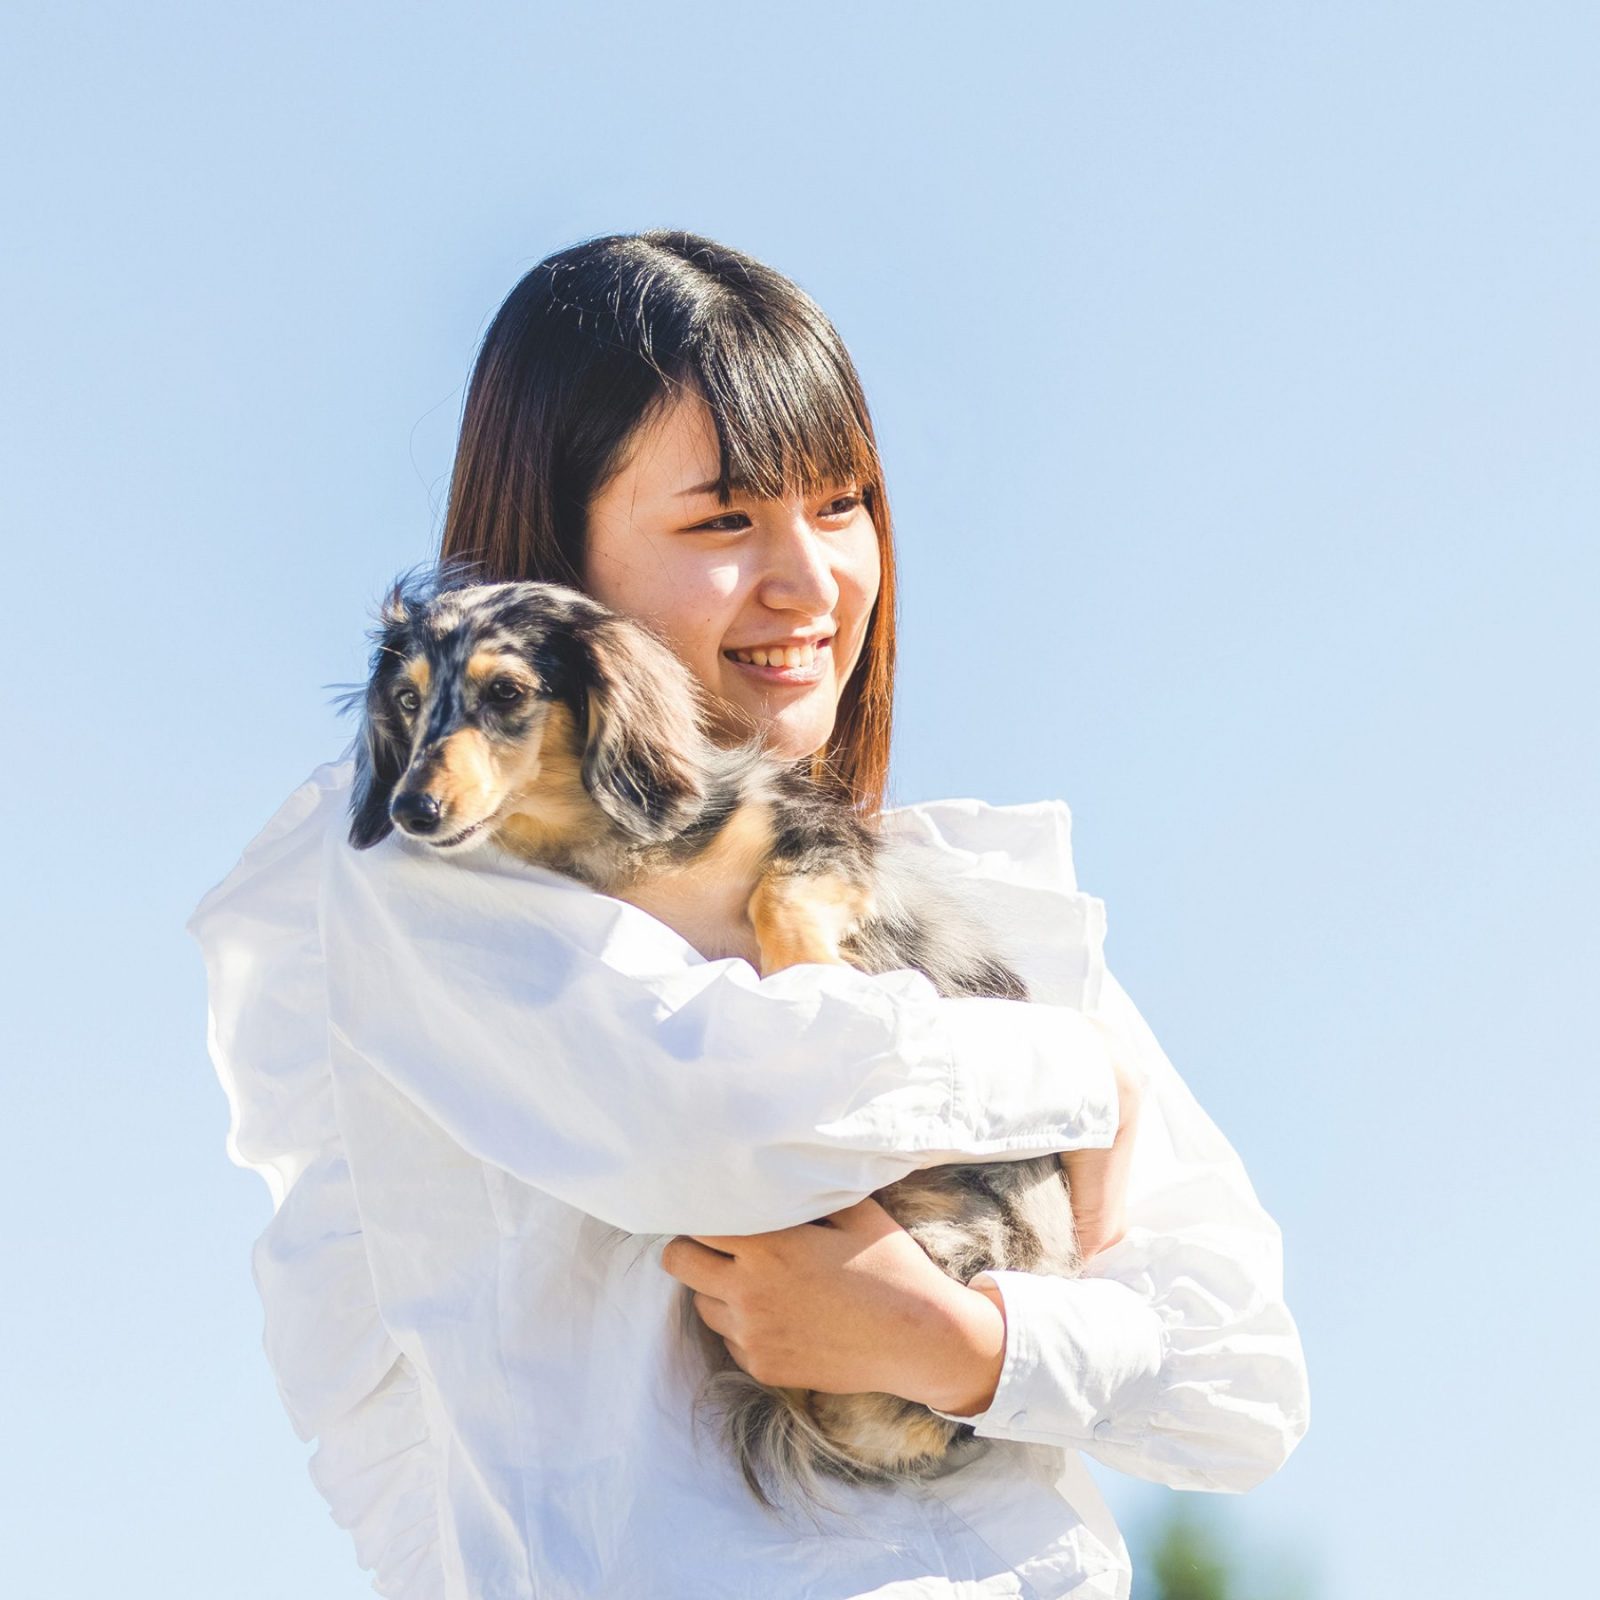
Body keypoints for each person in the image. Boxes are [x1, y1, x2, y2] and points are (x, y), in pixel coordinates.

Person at [186, 229, 1309, 1599]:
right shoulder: (428, 863)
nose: (811, 583)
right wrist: (1076, 1072)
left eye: (840, 507)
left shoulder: (937, 894)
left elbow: (1245, 1384)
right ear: (560, 563)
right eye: (724, 522)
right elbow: (719, 1117)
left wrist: (967, 1347)